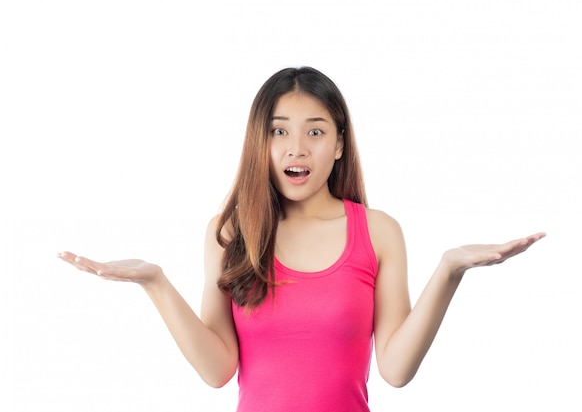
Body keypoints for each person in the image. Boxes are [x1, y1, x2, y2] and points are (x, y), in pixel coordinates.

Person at [58, 66, 545, 412]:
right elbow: (217, 370)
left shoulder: (378, 232)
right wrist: (156, 283)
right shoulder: (230, 233)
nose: (297, 147)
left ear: (338, 144)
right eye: (279, 132)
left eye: (315, 131)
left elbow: (395, 370)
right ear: (260, 143)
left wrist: (449, 271)